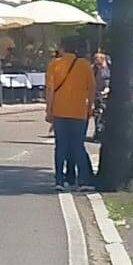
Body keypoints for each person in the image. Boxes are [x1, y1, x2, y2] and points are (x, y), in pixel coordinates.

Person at [44, 37, 95, 191]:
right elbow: (92, 88)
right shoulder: (85, 65)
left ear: (62, 48)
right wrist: (90, 107)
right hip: (79, 111)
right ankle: (84, 180)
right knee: (78, 146)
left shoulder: (54, 65)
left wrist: (49, 110)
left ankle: (60, 180)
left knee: (61, 146)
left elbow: (50, 90)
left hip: (60, 111)